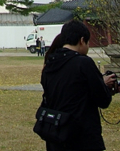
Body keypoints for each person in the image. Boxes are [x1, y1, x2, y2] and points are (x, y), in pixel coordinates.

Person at [39, 20, 115, 150]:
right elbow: (103, 100)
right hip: (81, 137)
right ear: (82, 40)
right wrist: (104, 85)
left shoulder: (50, 63)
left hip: (56, 133)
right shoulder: (83, 63)